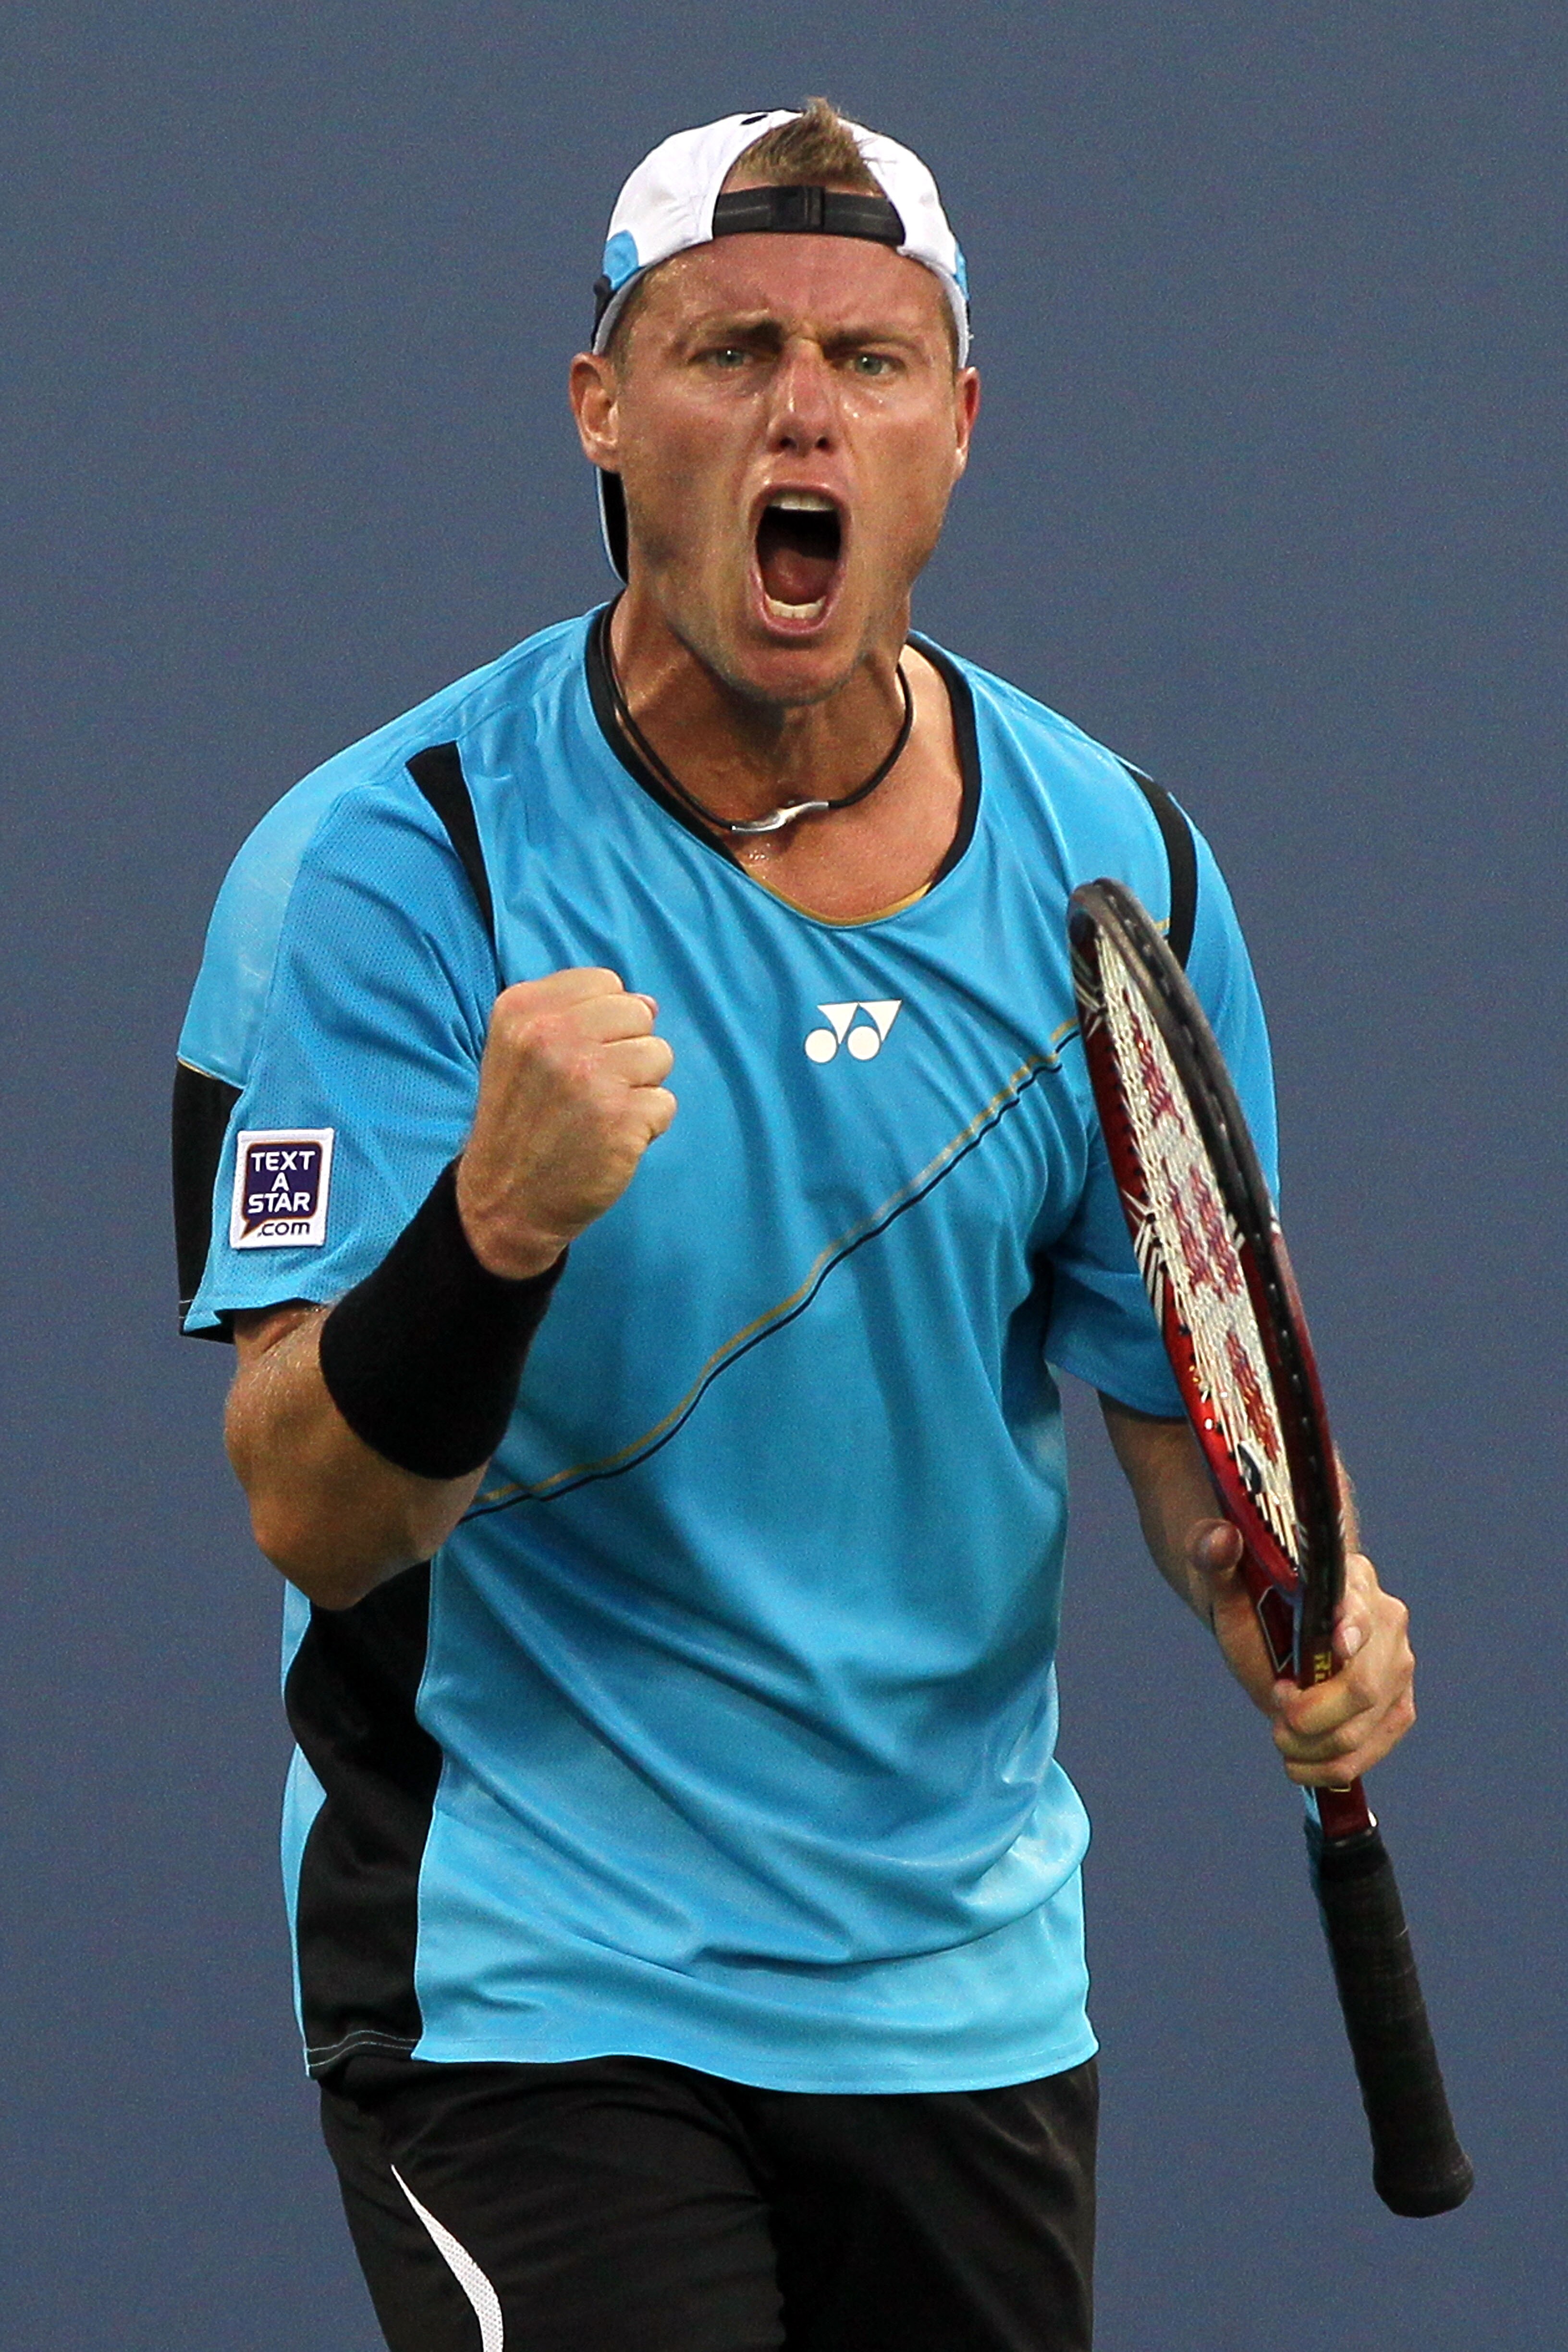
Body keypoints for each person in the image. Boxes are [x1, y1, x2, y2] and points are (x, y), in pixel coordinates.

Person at [173, 102, 1416, 2352]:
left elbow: (1196, 1431)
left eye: (870, 356)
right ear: (602, 411)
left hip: (960, 2000)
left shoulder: (1120, 871)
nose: (804, 410)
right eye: (731, 349)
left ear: (959, 426)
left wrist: (1293, 1612)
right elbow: (314, 1513)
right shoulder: (400, 868)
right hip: (534, 1984)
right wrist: (491, 1229)